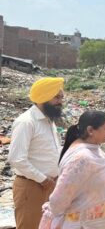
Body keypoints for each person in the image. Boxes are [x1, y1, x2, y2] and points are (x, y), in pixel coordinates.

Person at [39, 110, 105, 228]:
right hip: (82, 224)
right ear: (90, 130)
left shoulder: (94, 150)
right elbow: (60, 198)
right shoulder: (81, 159)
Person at [7, 77, 64, 229]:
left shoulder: (48, 121)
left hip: (50, 185)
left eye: (61, 97)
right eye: (57, 97)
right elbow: (16, 159)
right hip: (31, 187)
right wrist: (43, 179)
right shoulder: (26, 122)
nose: (61, 101)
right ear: (43, 97)